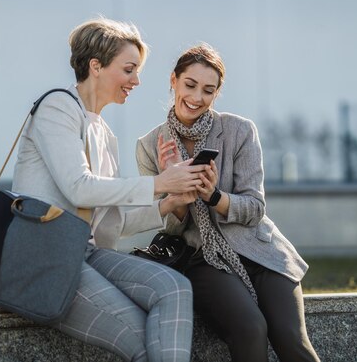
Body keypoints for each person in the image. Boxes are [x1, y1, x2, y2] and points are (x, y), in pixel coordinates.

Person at [9, 18, 207, 362]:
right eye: (129, 69)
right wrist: (160, 183)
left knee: (174, 286)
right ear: (96, 66)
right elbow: (79, 189)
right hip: (46, 258)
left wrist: (170, 200)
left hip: (83, 252)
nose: (137, 80)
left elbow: (110, 221)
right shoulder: (57, 108)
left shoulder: (103, 133)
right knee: (148, 345)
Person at [136, 43, 321, 362]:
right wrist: (173, 189)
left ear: (217, 93)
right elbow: (168, 224)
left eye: (208, 91)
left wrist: (214, 197)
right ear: (173, 80)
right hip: (203, 257)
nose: (196, 97)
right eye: (190, 85)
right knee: (250, 329)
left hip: (261, 251)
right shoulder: (150, 146)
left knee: (291, 339)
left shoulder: (240, 131)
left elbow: (254, 209)